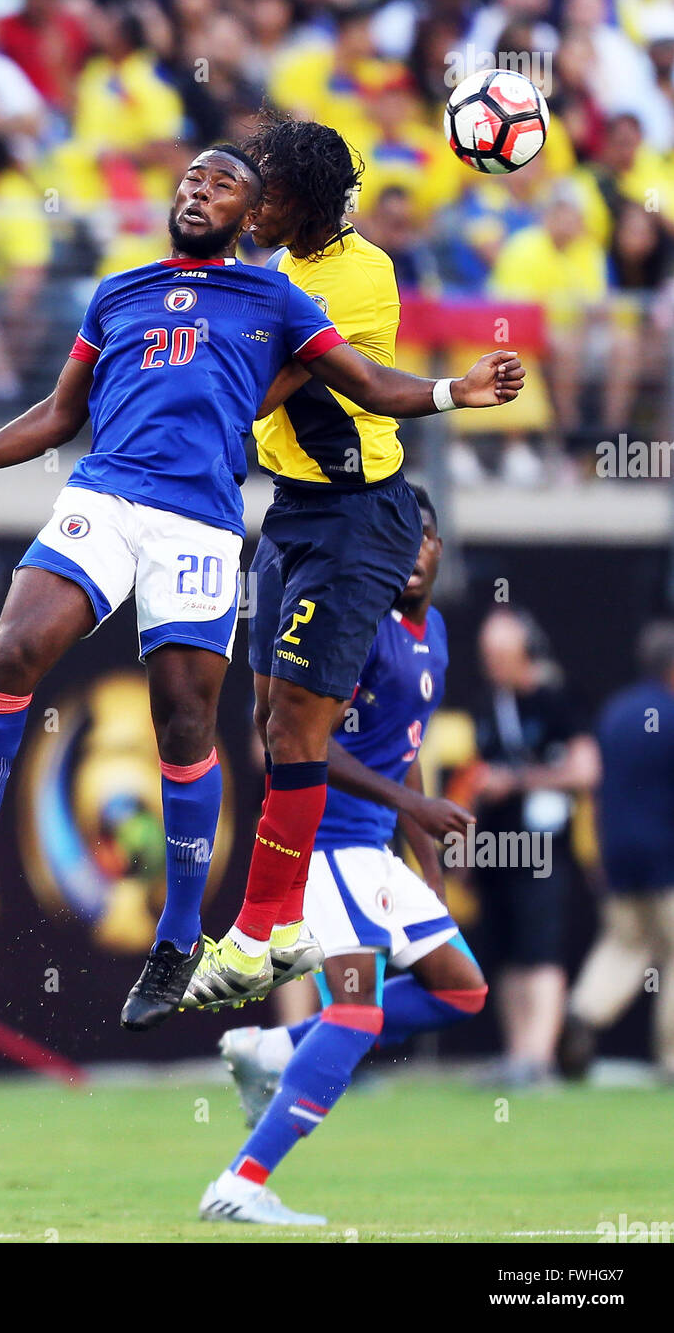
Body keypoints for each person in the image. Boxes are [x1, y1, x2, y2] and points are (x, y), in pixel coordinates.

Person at [0, 143, 523, 1033]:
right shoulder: (118, 291)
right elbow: (62, 415)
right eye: (189, 179)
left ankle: (180, 936)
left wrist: (457, 389)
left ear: (250, 214)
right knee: (14, 648)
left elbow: (367, 382)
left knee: (185, 718)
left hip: (204, 520)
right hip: (103, 493)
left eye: (223, 185)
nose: (198, 190)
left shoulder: (277, 295)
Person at [182, 116, 473, 1006]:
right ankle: (288, 919)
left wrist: (183, 406)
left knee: (299, 730)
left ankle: (261, 931)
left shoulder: (360, 272)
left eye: (264, 193)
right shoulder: (281, 270)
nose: (252, 204)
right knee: (270, 720)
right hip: (293, 511)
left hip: (358, 515)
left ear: (304, 203)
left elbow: (281, 381)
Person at [198, 486, 487, 1225]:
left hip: (374, 851)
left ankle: (276, 1048)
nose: (412, 554)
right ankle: (241, 1182)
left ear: (438, 549)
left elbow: (409, 755)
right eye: (401, 539)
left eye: (424, 537)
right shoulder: (356, 628)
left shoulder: (438, 634)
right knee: (355, 1015)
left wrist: (429, 867)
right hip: (325, 841)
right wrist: (411, 807)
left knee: (461, 990)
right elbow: (301, 742)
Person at [471, 607, 599, 1085]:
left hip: (541, 849)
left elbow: (586, 770)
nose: (493, 664)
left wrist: (518, 781)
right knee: (505, 950)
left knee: (539, 949)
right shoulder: (490, 705)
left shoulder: (557, 701)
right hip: (495, 849)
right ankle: (518, 1053)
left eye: (502, 654)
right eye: (488, 655)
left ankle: (540, 1058)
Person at [560, 621, 674, 1082]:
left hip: (619, 854)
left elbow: (598, 790)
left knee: (625, 944)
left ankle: (584, 1012)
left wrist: (598, 852)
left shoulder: (615, 712)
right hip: (667, 855)